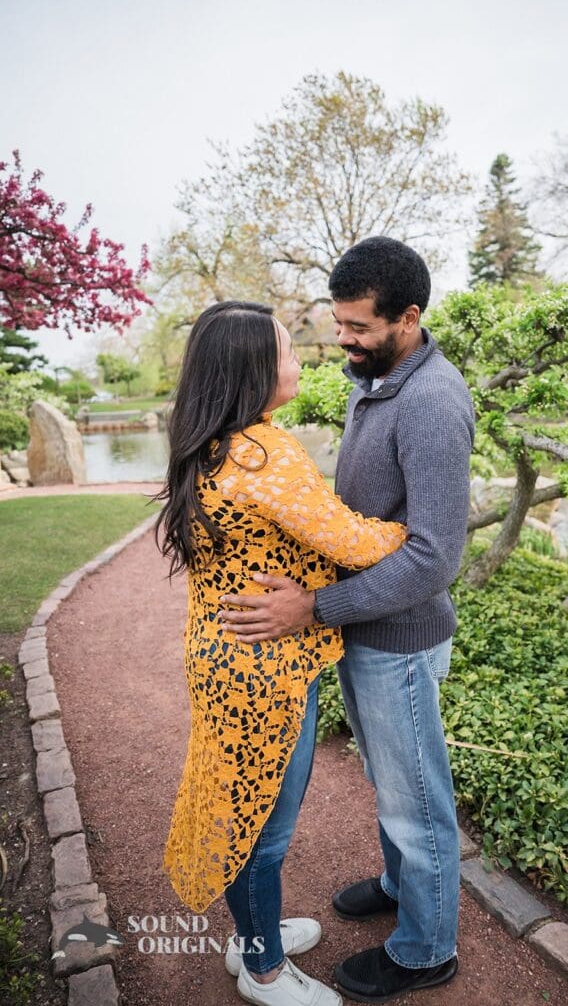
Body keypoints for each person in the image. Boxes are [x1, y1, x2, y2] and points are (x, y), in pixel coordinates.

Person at [219, 237, 475, 1003]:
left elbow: (433, 558)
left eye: (358, 327)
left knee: (414, 797)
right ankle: (403, 885)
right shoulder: (379, 375)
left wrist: (314, 607)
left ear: (408, 318)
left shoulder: (432, 403)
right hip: (365, 631)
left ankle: (427, 950)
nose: (343, 340)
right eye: (338, 324)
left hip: (397, 638)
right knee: (387, 779)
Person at [156, 300, 407, 1006]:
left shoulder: (207, 443)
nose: (301, 360)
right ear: (251, 369)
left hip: (218, 655)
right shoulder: (265, 452)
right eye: (288, 350)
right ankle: (264, 969)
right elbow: (353, 541)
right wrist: (419, 536)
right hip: (264, 668)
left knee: (240, 805)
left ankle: (250, 934)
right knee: (261, 827)